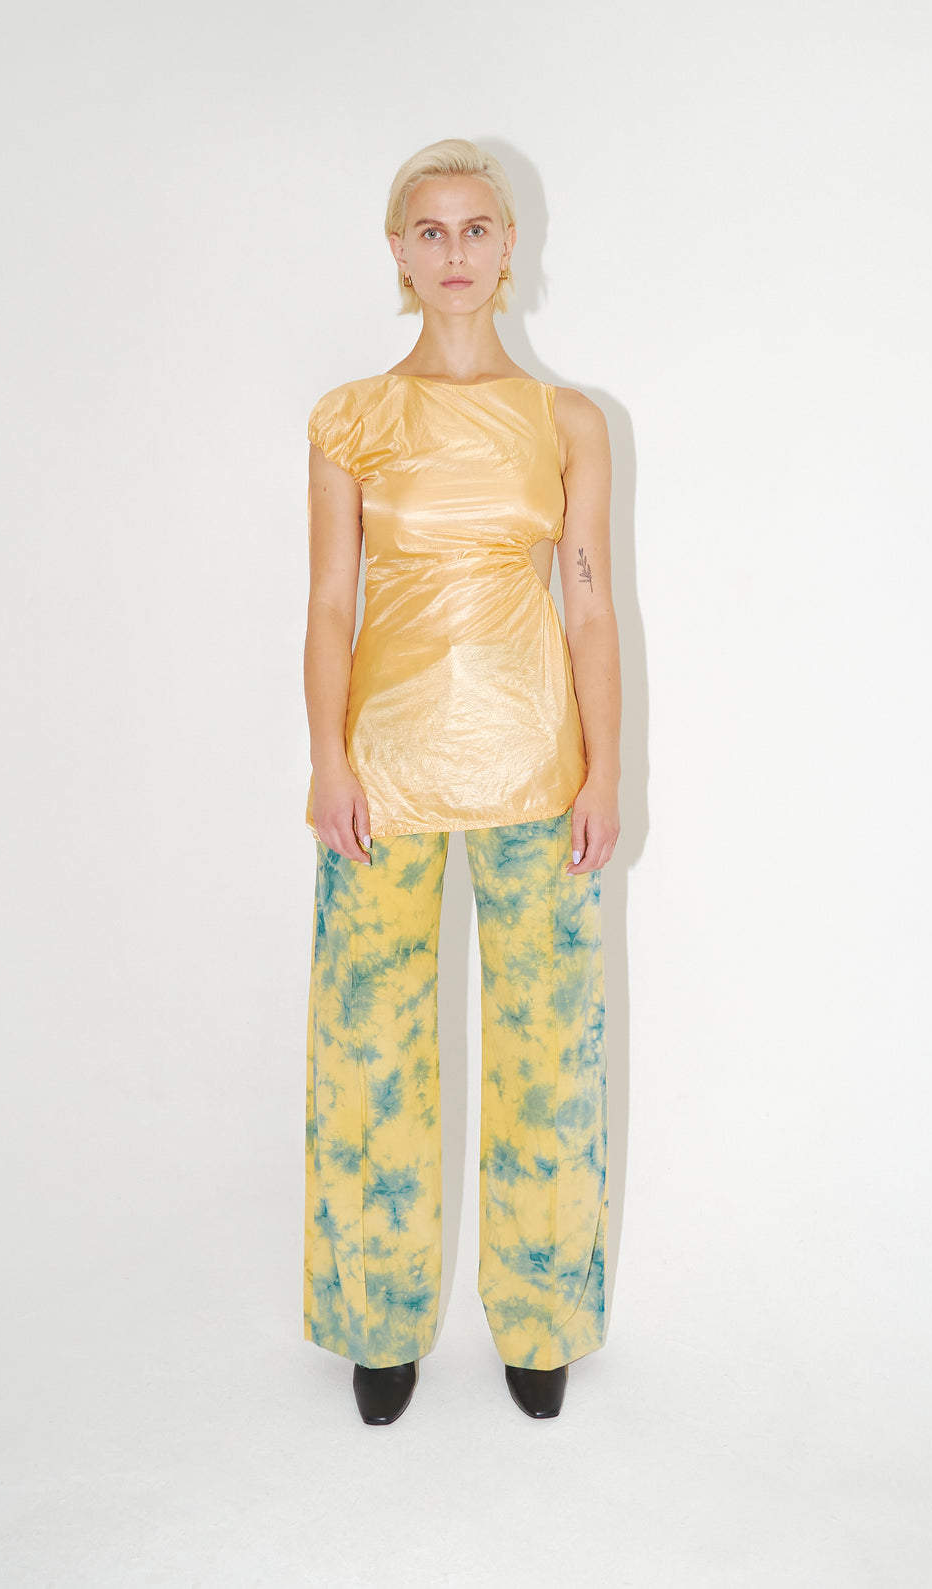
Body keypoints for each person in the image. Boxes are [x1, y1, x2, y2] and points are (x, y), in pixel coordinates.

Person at [302, 138, 621, 1425]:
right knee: (367, 1049)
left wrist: (606, 769)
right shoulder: (350, 418)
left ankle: (539, 1320)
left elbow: (589, 603)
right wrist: (326, 760)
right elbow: (328, 603)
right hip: (381, 775)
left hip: (536, 766)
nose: (453, 252)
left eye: (474, 228)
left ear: (507, 247)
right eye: (428, 231)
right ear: (398, 251)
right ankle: (377, 1320)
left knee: (548, 1050)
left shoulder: (566, 420)